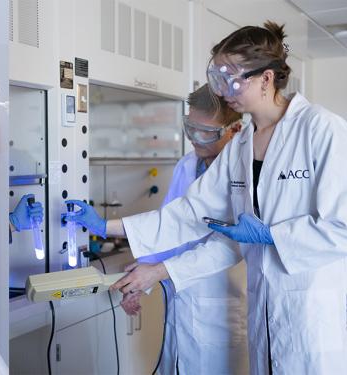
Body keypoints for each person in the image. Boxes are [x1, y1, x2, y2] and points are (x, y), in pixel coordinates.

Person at [64, 22, 347, 374]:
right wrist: (107, 226)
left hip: (314, 313)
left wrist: (273, 235)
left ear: (266, 78)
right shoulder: (241, 147)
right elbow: (191, 212)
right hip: (264, 310)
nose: (223, 90)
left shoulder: (320, 129)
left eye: (232, 78)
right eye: (217, 77)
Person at [115, 84, 248, 374]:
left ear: (234, 129)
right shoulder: (187, 164)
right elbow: (170, 228)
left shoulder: (245, 173)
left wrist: (159, 271)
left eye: (207, 132)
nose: (195, 140)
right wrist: (143, 279)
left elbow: (228, 247)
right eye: (190, 128)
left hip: (220, 304)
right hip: (180, 299)